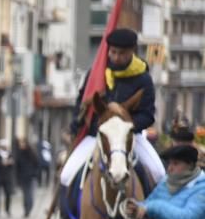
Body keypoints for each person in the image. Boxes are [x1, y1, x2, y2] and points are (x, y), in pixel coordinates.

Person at [61, 28, 164, 192]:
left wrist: (125, 127)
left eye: (122, 53)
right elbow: (81, 103)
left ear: (132, 51)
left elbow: (148, 115)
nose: (116, 57)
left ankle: (151, 213)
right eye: (113, 52)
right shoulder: (96, 74)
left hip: (131, 137)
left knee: (159, 172)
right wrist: (77, 125)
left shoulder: (143, 78)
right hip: (97, 135)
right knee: (66, 175)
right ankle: (67, 217)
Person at [15, 137, 41, 218]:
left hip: (31, 177)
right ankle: (26, 210)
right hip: (23, 177)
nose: (21, 145)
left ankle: (29, 208)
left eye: (23, 143)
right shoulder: (19, 154)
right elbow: (17, 167)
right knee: (25, 195)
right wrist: (18, 178)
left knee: (30, 194)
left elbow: (37, 164)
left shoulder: (32, 153)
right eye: (20, 144)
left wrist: (35, 174)